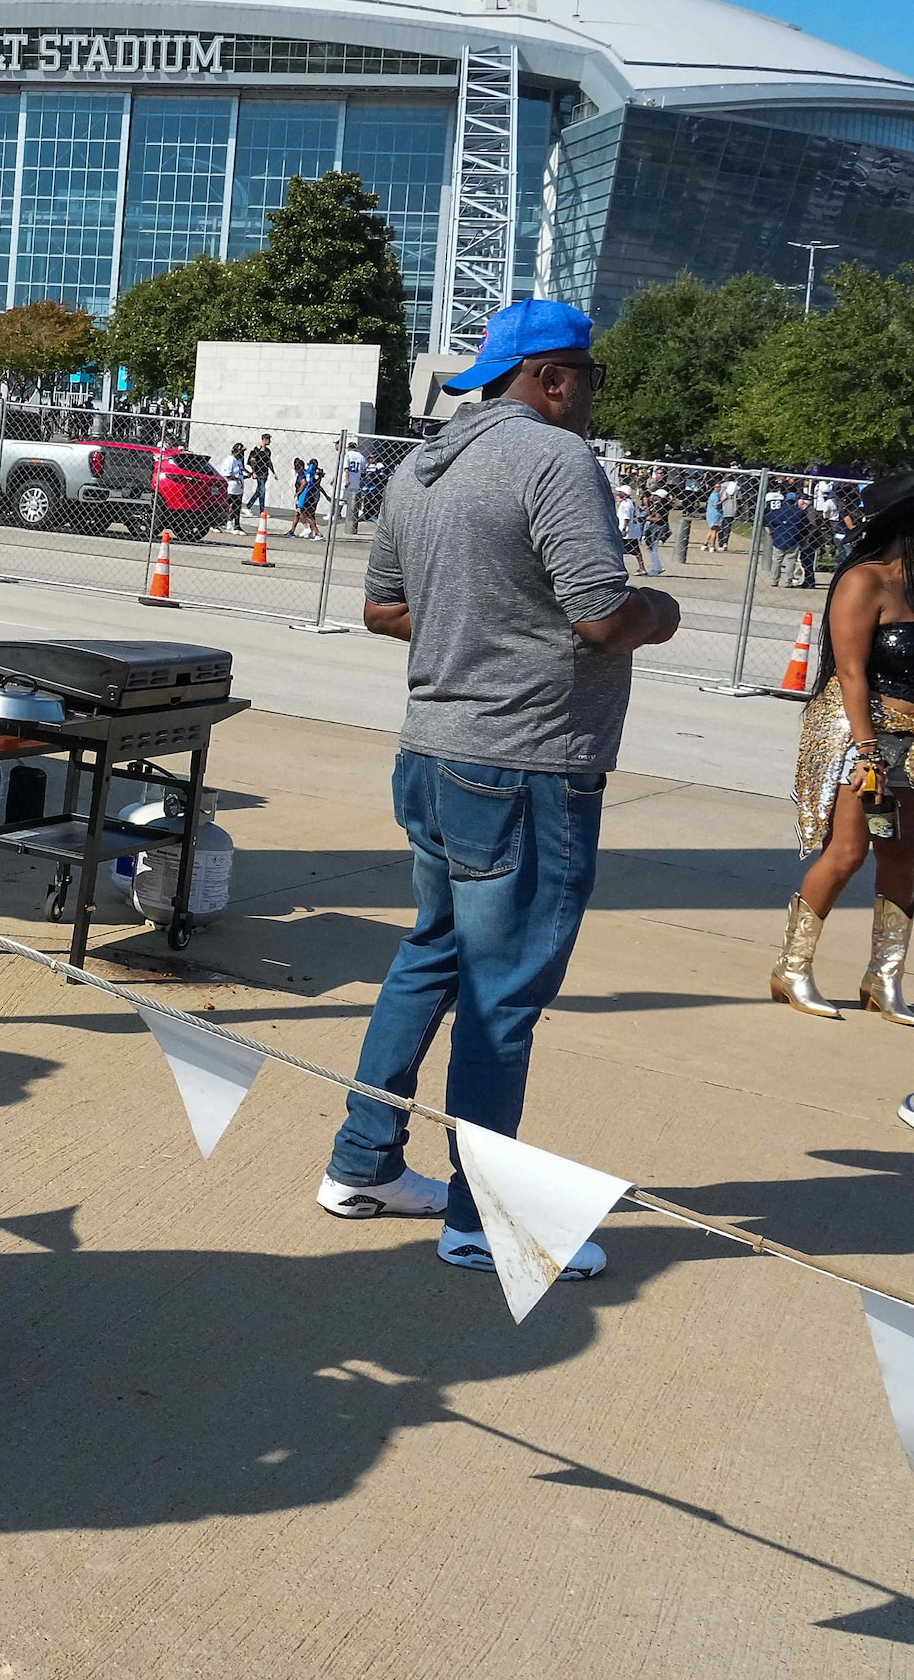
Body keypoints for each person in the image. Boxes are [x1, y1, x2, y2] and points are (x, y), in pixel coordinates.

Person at [314, 298, 679, 1283]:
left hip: (431, 754)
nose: (591, 399)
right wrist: (662, 610)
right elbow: (601, 617)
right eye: (588, 380)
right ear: (552, 378)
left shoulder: (420, 465)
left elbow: (383, 607)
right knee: (500, 997)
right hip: (522, 765)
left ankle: (360, 1165)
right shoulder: (551, 460)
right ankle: (481, 1219)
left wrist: (472, 626)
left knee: (429, 955)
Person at [775, 474, 914, 1027]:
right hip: (859, 734)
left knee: (903, 854)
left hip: (910, 741)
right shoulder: (864, 581)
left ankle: (884, 978)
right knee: (848, 851)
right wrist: (867, 752)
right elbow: (852, 672)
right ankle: (792, 967)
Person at [768, 488, 808, 586]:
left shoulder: (778, 511)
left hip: (779, 538)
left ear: (786, 500)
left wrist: (773, 533)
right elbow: (804, 525)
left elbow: (771, 523)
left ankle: (774, 580)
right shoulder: (799, 512)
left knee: (777, 560)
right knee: (791, 561)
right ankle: (788, 581)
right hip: (793, 538)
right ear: (795, 501)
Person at [288, 457, 324, 539]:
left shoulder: (304, 473)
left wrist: (298, 493)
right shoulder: (314, 474)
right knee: (305, 514)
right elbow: (318, 485)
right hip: (312, 496)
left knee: (305, 515)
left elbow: (304, 483)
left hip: (304, 497)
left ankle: (315, 532)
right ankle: (294, 531)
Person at [246, 433, 275, 517]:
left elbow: (269, 462)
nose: (270, 441)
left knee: (259, 491)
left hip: (265, 473)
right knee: (262, 491)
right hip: (259, 472)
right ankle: (261, 510)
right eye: (269, 439)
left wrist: (273, 472)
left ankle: (248, 506)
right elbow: (252, 461)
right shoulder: (256, 449)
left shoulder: (268, 451)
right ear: (264, 440)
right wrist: (253, 472)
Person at [344, 437, 369, 530]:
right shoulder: (361, 456)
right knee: (355, 499)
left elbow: (346, 468)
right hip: (356, 479)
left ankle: (337, 515)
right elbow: (364, 469)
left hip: (347, 479)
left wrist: (347, 479)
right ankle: (358, 514)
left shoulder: (347, 455)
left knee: (342, 499)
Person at [224, 442, 249, 530]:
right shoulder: (230, 460)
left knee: (237, 507)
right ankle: (227, 522)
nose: (242, 454)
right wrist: (237, 479)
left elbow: (239, 473)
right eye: (241, 451)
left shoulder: (239, 460)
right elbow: (227, 474)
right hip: (230, 488)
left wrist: (247, 476)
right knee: (227, 506)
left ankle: (237, 525)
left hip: (239, 489)